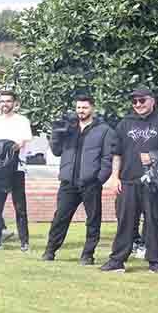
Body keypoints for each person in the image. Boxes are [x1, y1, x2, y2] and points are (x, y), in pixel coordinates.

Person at [101, 88, 158, 273]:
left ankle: (155, 262)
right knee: (125, 222)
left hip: (155, 182)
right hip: (128, 181)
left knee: (154, 222)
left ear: (152, 101)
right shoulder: (125, 124)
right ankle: (117, 260)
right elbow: (116, 153)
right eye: (134, 101)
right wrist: (114, 177)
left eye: (142, 100)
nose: (138, 105)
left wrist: (154, 156)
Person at [42, 95, 114, 265]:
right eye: (79, 108)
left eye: (85, 107)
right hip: (68, 182)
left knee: (93, 220)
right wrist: (56, 133)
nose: (81, 111)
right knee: (60, 218)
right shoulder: (69, 128)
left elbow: (107, 158)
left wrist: (99, 179)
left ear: (93, 108)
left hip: (91, 182)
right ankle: (50, 251)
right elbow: (57, 151)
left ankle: (88, 255)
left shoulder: (104, 130)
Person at [0, 91, 34, 251]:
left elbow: (22, 142)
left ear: (14, 103)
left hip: (16, 168)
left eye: (8, 101)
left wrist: (11, 147)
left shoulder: (22, 120)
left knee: (20, 206)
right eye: (2, 101)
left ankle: (24, 241)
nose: (5, 104)